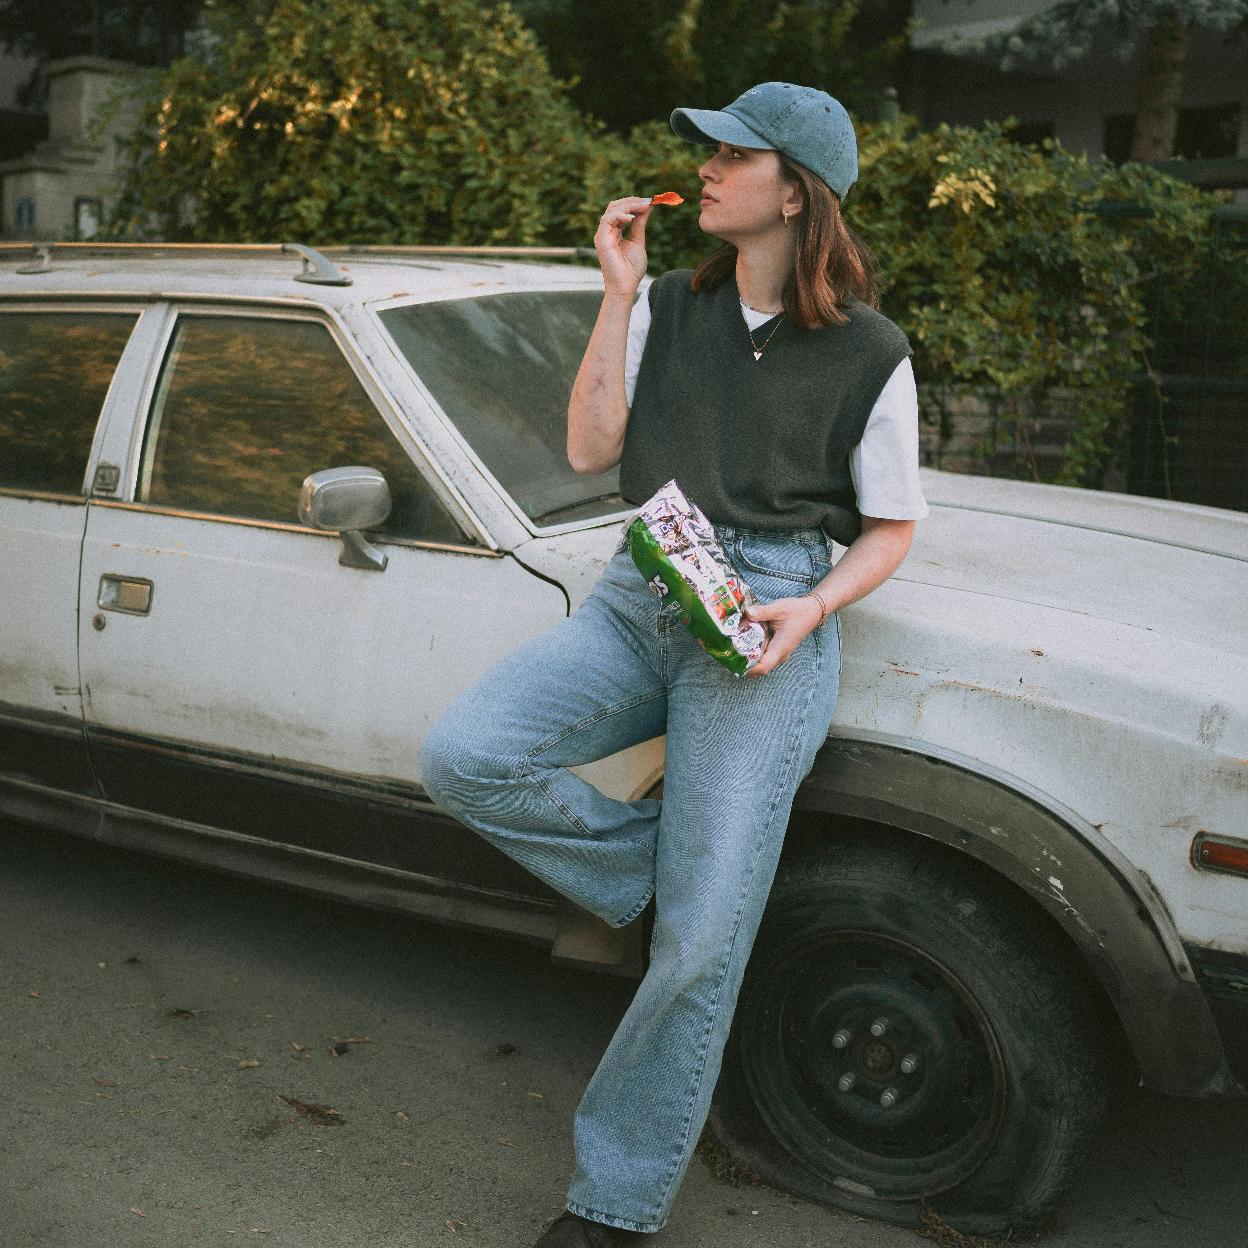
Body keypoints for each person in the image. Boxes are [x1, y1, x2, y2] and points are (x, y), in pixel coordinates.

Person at [420, 82, 929, 1246]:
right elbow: (589, 447)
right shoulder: (665, 304)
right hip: (641, 591)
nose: (704, 165)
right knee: (467, 756)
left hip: (764, 625)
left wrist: (814, 606)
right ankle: (689, 883)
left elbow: (892, 528)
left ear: (796, 193)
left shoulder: (871, 352)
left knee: (698, 950)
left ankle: (611, 1203)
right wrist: (614, 294)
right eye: (706, 148)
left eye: (731, 154)